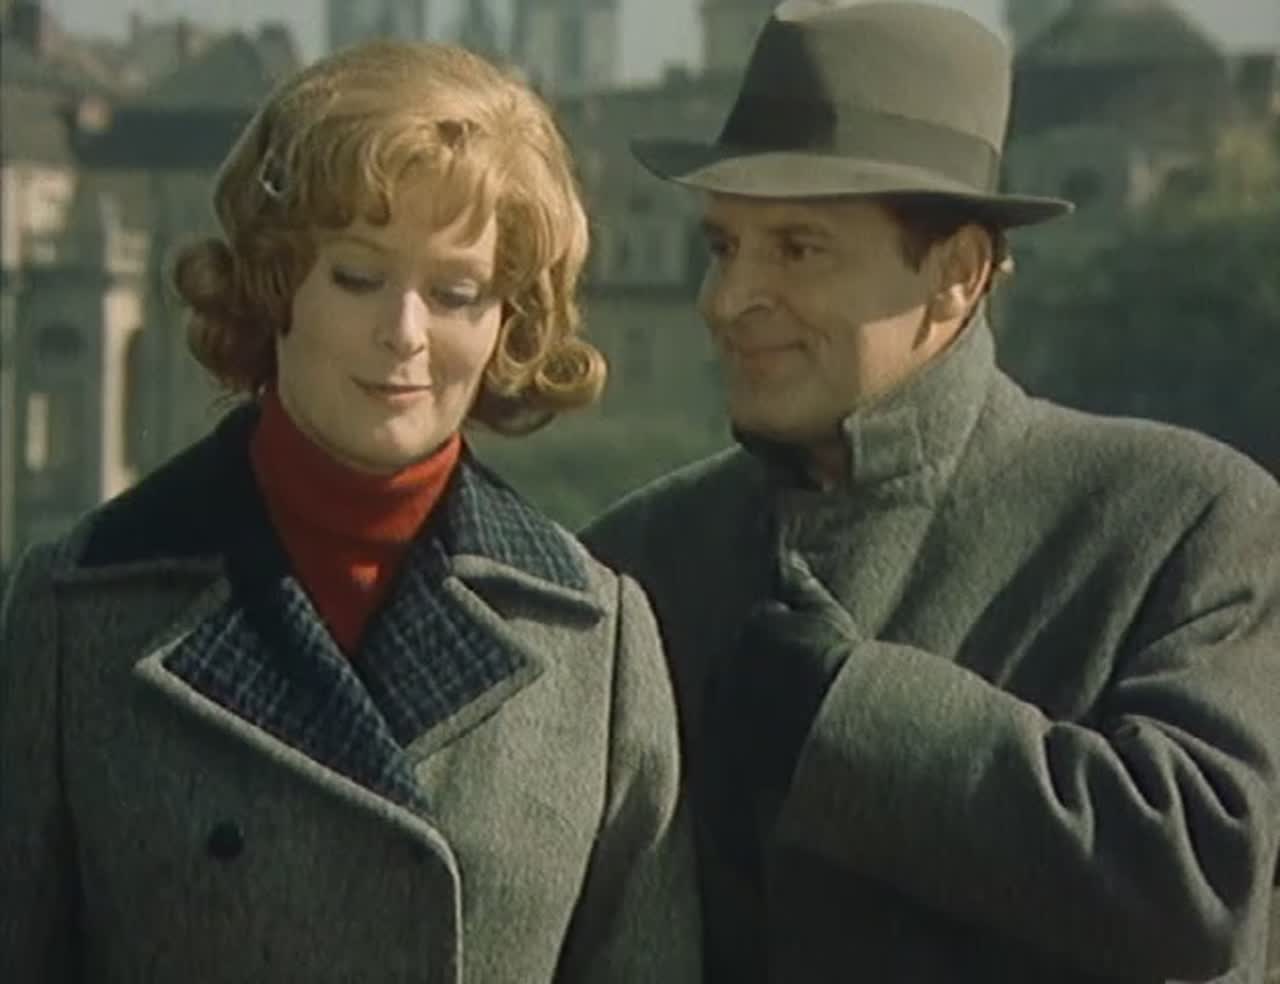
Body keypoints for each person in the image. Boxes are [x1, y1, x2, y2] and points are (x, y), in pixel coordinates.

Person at [582, 3, 1280, 982]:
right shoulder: (635, 566)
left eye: (797, 247)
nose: (727, 300)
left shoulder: (1184, 521)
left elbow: (1202, 881)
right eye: (722, 246)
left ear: (956, 273)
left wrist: (847, 714)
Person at [0, 39, 700, 983]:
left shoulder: (597, 641)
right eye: (358, 278)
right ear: (276, 280)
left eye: (455, 292)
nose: (404, 333)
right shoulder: (75, 613)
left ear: (507, 320)